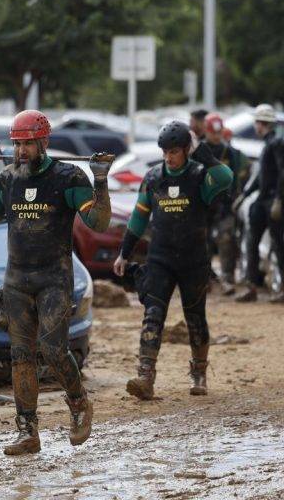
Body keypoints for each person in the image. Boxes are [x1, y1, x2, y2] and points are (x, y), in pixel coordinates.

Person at [0, 110, 113, 456]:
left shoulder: (68, 177)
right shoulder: (7, 179)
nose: (21, 151)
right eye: (17, 144)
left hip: (54, 279)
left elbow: (99, 222)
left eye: (28, 144)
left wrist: (101, 180)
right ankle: (27, 431)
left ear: (43, 142)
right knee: (20, 357)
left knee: (53, 350)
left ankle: (78, 404)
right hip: (16, 281)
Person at [114, 121, 233, 399]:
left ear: (185, 150)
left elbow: (226, 178)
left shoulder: (201, 176)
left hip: (194, 260)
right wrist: (124, 253)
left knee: (195, 318)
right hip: (161, 259)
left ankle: (199, 373)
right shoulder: (154, 178)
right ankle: (145, 376)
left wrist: (203, 153)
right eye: (165, 151)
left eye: (175, 151)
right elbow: (138, 217)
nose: (169, 157)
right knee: (153, 315)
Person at [234, 104, 284, 303]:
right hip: (262, 200)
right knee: (252, 242)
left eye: (257, 123)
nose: (256, 127)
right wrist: (244, 195)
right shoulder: (268, 145)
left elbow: (283, 173)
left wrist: (278, 199)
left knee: (277, 243)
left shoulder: (278, 144)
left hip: (274, 200)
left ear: (261, 124)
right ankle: (251, 286)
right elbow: (262, 177)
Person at [203, 113, 250, 295]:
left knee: (226, 240)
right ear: (207, 131)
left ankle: (227, 278)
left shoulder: (228, 152)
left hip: (225, 204)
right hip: (204, 204)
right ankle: (204, 278)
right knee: (202, 242)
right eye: (213, 132)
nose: (216, 136)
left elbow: (237, 176)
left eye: (218, 132)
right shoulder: (201, 150)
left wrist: (234, 199)